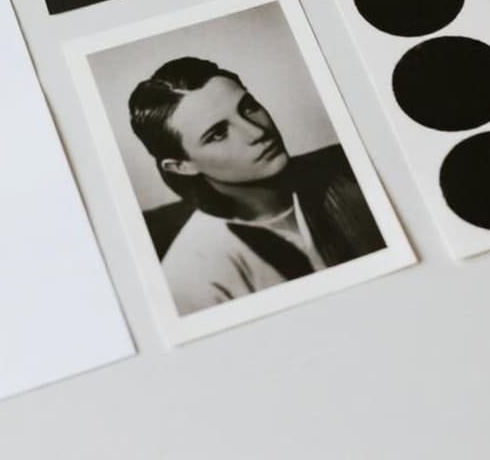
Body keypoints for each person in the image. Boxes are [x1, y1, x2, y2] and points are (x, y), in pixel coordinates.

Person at [128, 57, 385, 316]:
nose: (256, 132)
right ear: (182, 166)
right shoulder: (195, 275)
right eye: (218, 133)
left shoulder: (352, 177)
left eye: (248, 107)